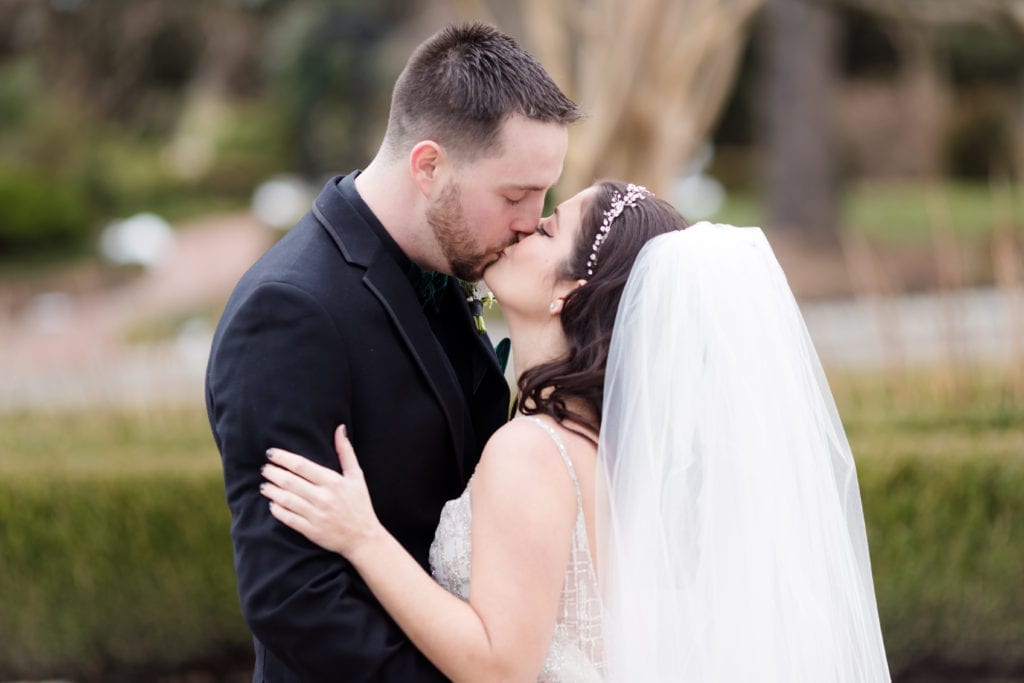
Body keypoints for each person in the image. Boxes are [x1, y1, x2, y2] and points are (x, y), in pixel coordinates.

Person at [261, 180, 892, 682]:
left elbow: (498, 668)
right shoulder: (619, 452)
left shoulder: (534, 452)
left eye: (548, 227)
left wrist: (362, 537)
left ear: (569, 287)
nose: (524, 226)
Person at [205, 23, 581, 682]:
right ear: (429, 166)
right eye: (515, 194)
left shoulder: (451, 263)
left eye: (544, 193)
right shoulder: (289, 311)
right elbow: (295, 598)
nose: (532, 220)